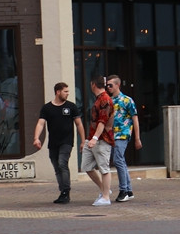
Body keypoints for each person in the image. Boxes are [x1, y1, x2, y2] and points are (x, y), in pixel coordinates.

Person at [32, 82, 85, 204]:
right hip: (53, 142)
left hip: (66, 141)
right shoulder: (47, 108)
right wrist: (36, 138)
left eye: (68, 91)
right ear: (58, 92)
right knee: (57, 167)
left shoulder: (71, 106)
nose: (68, 93)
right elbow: (41, 123)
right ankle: (62, 192)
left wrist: (83, 141)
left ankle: (66, 191)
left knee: (62, 164)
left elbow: (79, 124)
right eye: (65, 91)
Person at [106, 75, 142, 202]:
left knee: (118, 159)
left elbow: (135, 119)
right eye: (107, 85)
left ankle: (124, 190)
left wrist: (137, 137)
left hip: (123, 133)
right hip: (112, 135)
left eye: (110, 85)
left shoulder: (127, 100)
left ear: (117, 85)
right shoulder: (109, 100)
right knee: (120, 160)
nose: (108, 87)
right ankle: (128, 189)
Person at [82, 77, 114, 206]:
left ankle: (106, 197)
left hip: (102, 140)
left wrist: (94, 138)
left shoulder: (105, 99)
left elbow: (103, 121)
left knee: (104, 168)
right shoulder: (100, 99)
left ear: (93, 84)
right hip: (93, 138)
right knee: (86, 166)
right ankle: (104, 190)